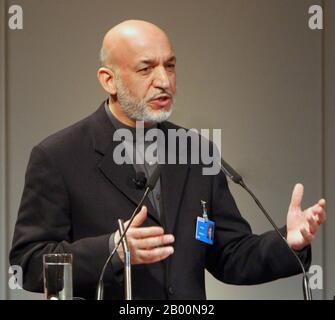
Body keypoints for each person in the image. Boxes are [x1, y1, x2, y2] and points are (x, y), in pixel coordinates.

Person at [10, 20, 326, 300]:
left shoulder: (195, 151)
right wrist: (112, 251)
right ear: (109, 80)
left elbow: (230, 256)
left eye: (170, 66)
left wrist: (289, 241)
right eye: (146, 69)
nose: (164, 80)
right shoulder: (58, 156)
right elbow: (28, 263)